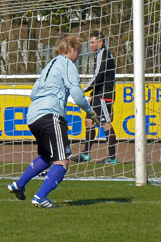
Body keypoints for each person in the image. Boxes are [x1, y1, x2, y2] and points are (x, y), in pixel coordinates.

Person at [7, 34, 99, 208]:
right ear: (70, 48)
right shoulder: (67, 64)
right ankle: (40, 197)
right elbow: (78, 95)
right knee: (63, 161)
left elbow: (34, 94)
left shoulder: (48, 66)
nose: (79, 54)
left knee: (46, 156)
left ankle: (18, 185)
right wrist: (90, 112)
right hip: (50, 115)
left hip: (33, 116)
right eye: (78, 50)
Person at [71, 31, 118, 164]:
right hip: (98, 94)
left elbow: (98, 76)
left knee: (106, 124)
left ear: (100, 42)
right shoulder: (99, 54)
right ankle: (86, 154)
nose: (90, 45)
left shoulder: (103, 54)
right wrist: (92, 95)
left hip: (104, 95)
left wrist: (84, 90)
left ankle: (112, 157)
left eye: (92, 42)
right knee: (89, 121)